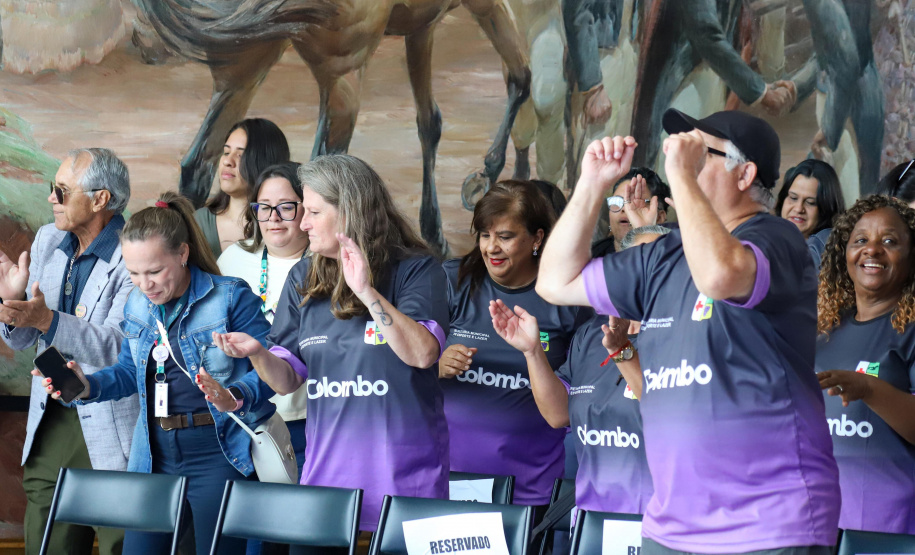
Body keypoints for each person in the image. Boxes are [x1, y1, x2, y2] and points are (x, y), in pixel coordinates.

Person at [536, 109, 840, 554]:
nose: (680, 158)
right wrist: (592, 184)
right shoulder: (663, 256)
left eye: (701, 152)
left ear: (745, 173)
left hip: (768, 521)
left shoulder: (776, 237)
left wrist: (679, 173)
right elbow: (555, 282)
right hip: (672, 527)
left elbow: (721, 276)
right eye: (681, 152)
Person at [210, 154, 450, 532]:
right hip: (327, 485)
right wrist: (256, 353)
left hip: (404, 484)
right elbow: (288, 380)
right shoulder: (304, 277)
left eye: (314, 212)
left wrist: (367, 292)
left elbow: (422, 354)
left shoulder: (417, 269)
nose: (303, 223)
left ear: (350, 212)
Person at [39, 192, 275, 554]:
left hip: (218, 452)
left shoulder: (229, 297)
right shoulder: (138, 303)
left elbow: (270, 370)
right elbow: (128, 372)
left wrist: (234, 395)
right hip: (153, 454)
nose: (144, 285)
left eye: (154, 271)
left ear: (182, 254)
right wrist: (88, 386)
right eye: (133, 273)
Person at [0, 148, 137, 555]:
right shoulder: (47, 241)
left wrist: (45, 319)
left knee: (117, 544)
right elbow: (25, 341)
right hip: (53, 420)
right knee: (48, 544)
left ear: (100, 200)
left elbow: (115, 347)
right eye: (52, 189)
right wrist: (12, 307)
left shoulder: (134, 254)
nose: (51, 199)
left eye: (60, 191)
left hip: (110, 423)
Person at [489, 227, 666, 519]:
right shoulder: (591, 335)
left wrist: (621, 350)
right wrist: (532, 351)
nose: (646, 270)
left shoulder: (685, 333)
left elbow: (665, 412)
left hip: (656, 521)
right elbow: (558, 414)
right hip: (591, 517)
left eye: (660, 261)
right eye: (636, 260)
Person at [438, 180, 587, 512]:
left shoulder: (566, 297)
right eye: (485, 235)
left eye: (505, 237)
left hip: (529, 486)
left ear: (537, 237)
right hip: (448, 480)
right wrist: (436, 365)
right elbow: (398, 366)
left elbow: (569, 408)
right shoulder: (453, 281)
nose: (492, 248)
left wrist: (533, 354)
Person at [815, 195, 915, 535]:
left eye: (889, 241)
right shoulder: (823, 332)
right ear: (844, 253)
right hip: (818, 520)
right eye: (861, 240)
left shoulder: (911, 331)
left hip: (890, 525)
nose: (872, 249)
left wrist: (870, 389)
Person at [218, 162, 309, 472]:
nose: (273, 218)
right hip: (248, 415)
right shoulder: (234, 257)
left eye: (286, 207)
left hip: (309, 417)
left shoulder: (326, 263)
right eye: (264, 208)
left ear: (307, 206)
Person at [194, 118, 290, 258]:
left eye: (240, 155)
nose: (227, 161)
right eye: (226, 152)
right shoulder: (199, 222)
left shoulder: (281, 224)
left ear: (265, 161)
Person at [591, 167, 671, 255]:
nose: (625, 209)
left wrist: (643, 233)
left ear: (659, 217)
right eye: (617, 201)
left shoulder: (673, 258)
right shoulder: (594, 256)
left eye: (635, 202)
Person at [775, 159, 845, 240]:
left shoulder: (834, 250)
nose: (798, 209)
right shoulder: (764, 242)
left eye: (810, 202)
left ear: (827, 209)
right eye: (793, 198)